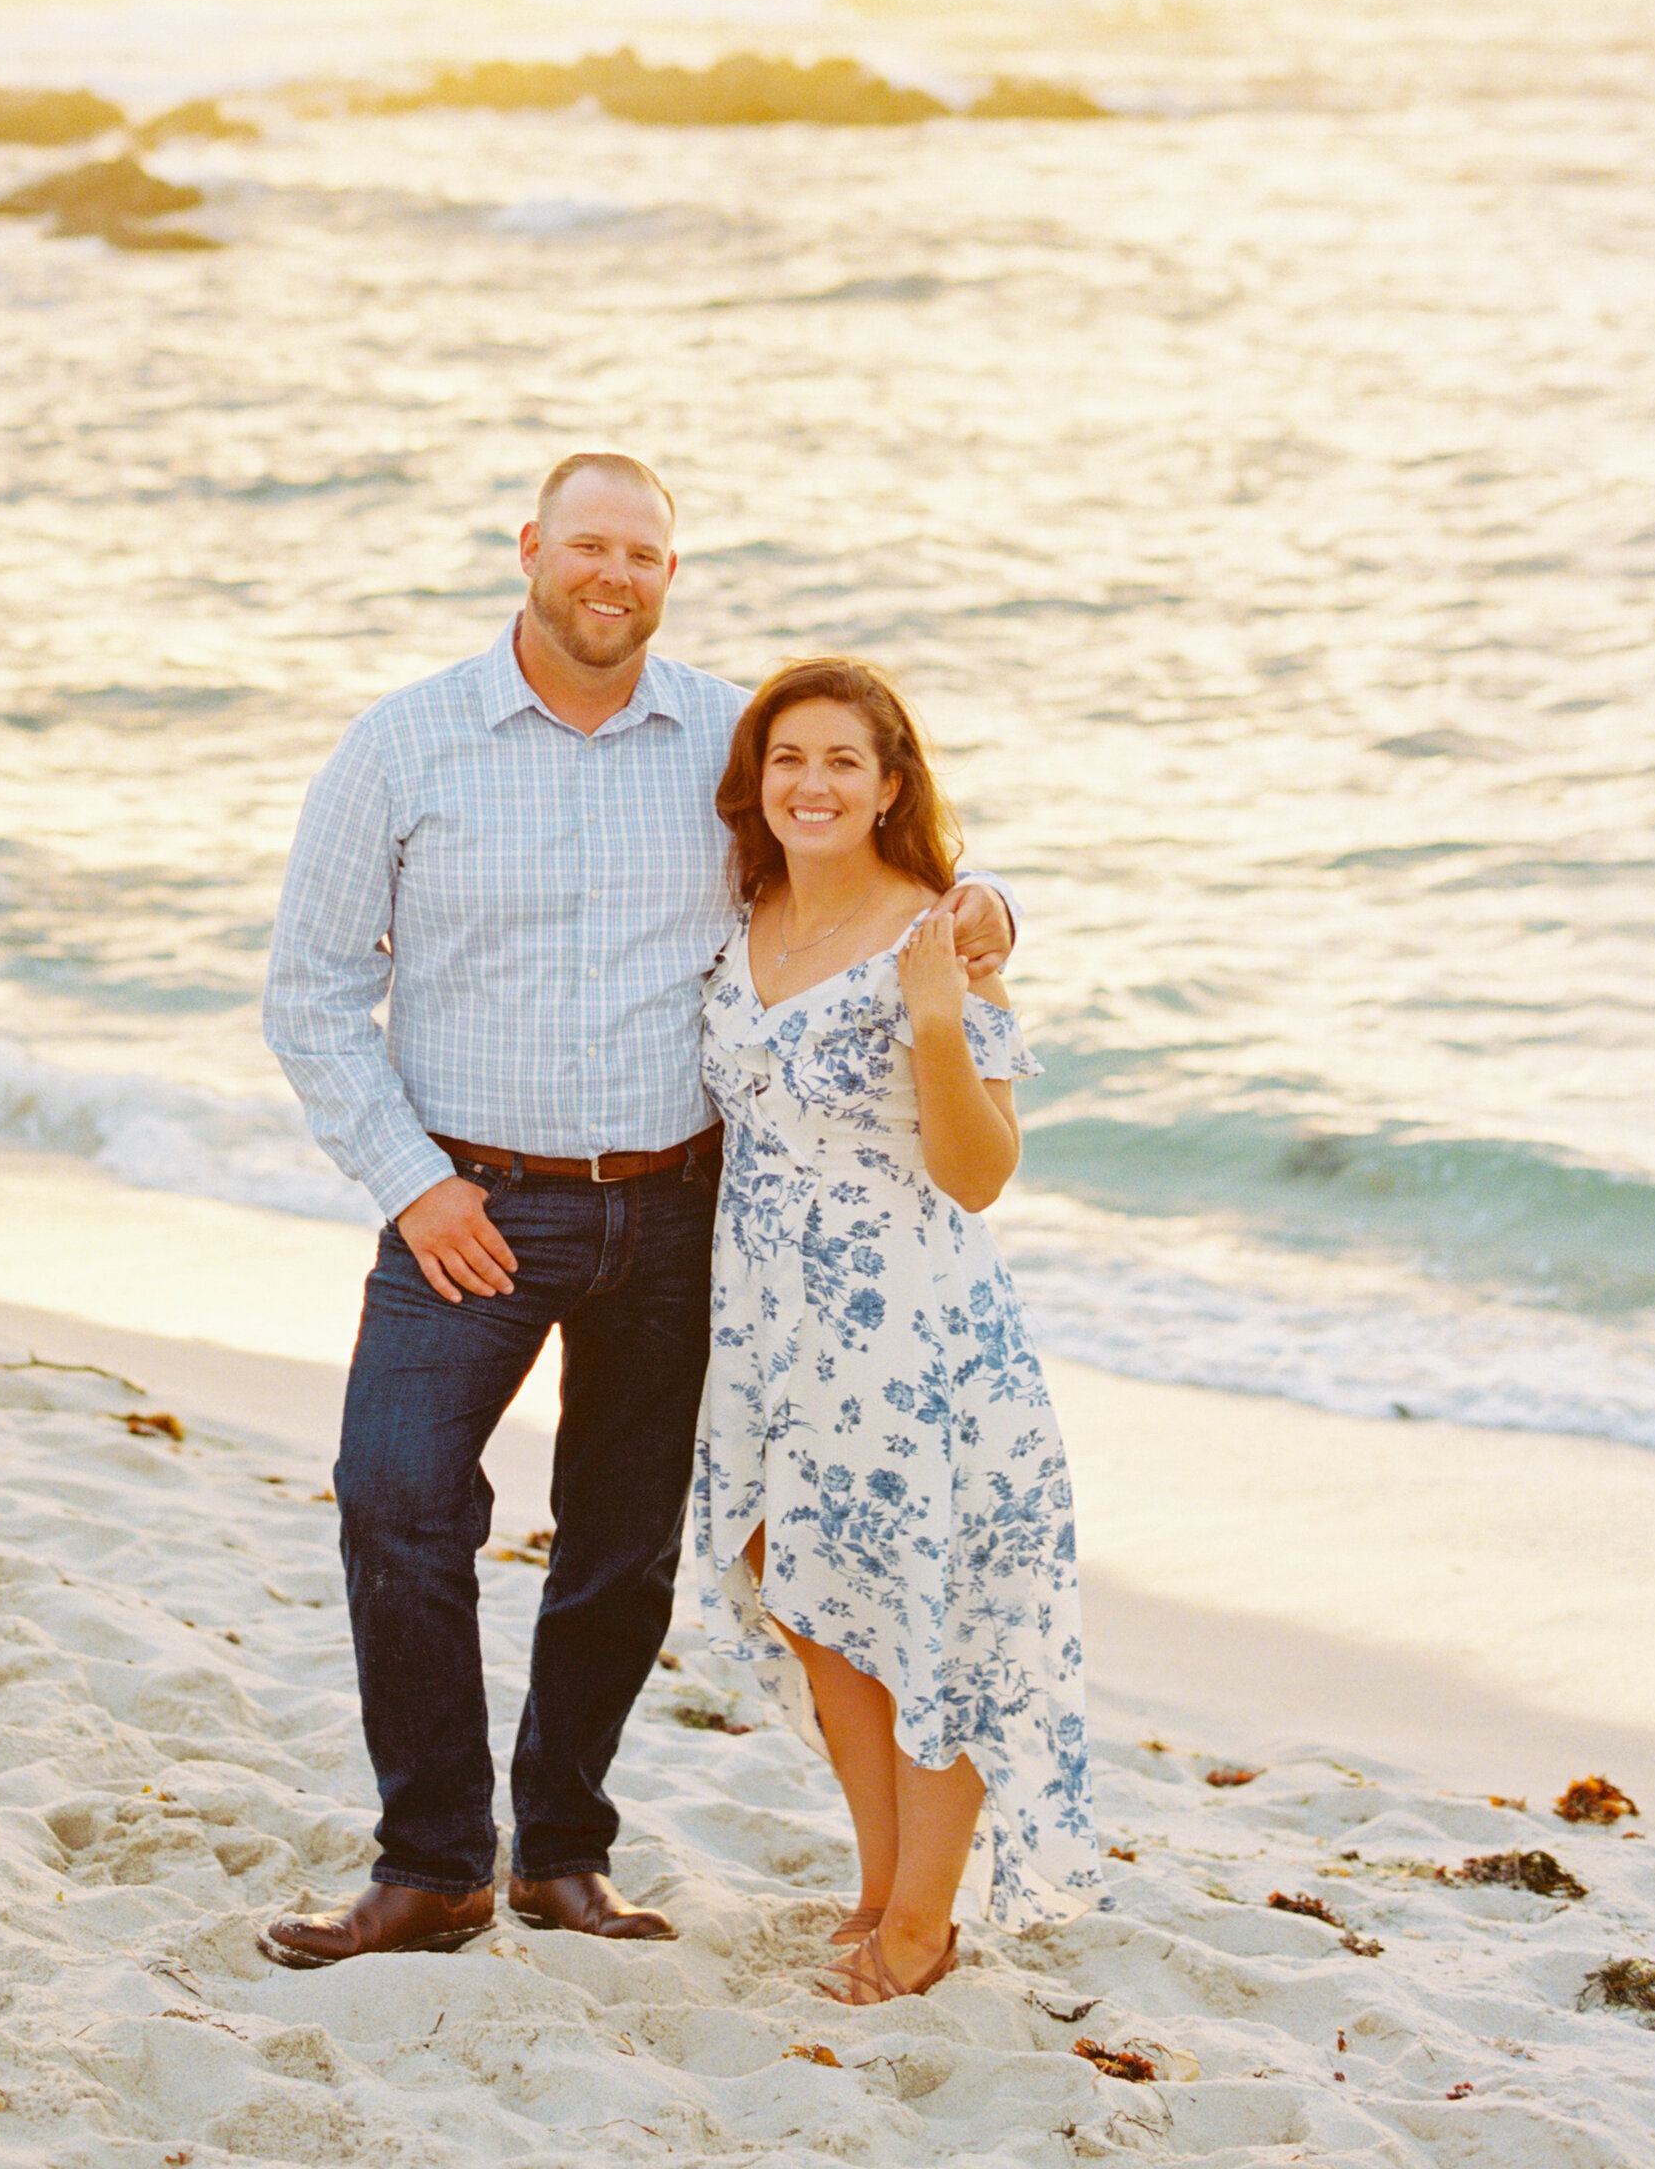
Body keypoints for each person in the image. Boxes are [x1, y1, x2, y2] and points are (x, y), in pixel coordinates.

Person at [256, 454, 1013, 1968]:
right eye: (589, 545)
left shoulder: (721, 742)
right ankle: (434, 1862)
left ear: (672, 573)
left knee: (621, 1547)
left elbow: (860, 832)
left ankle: (561, 1857)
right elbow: (314, 996)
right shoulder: (403, 746)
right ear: (531, 550)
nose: (615, 575)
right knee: (394, 1498)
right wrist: (413, 1184)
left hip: (681, 1215)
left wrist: (992, 904)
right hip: (467, 1205)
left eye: (645, 555)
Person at [693, 657, 1097, 2003]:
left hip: (905, 1332)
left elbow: (981, 1173)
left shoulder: (932, 936)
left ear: (889, 787)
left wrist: (938, 1013)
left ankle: (922, 1925)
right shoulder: (746, 909)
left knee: (924, 1615)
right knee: (817, 1606)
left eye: (842, 763)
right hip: (764, 1324)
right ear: (757, 779)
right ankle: (879, 1886)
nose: (811, 784)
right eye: (788, 758)